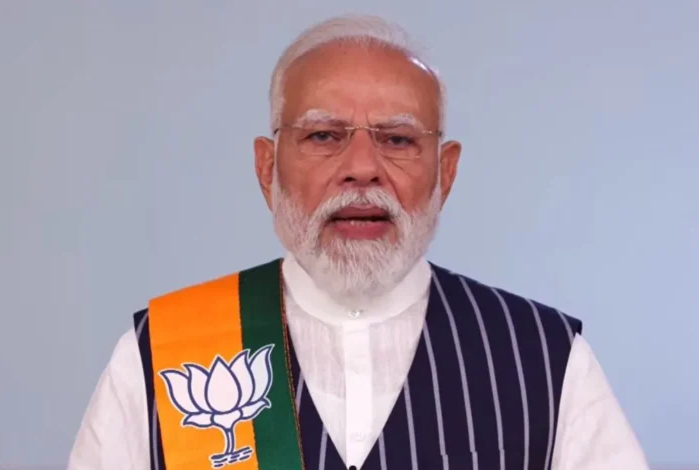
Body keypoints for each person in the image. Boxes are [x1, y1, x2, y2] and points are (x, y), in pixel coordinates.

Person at [68, 14, 648, 470]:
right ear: (267, 168)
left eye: (398, 140)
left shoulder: (543, 357)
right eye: (324, 135)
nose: (362, 168)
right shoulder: (164, 351)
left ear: (445, 173)